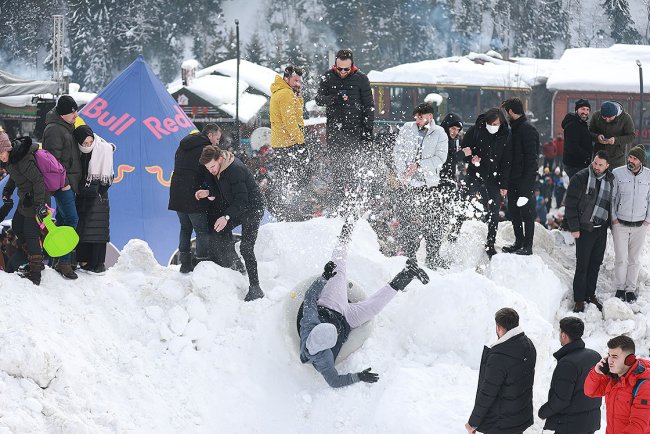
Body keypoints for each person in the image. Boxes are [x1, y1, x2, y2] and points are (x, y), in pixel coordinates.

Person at [298, 220, 429, 388]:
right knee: (373, 308)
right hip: (346, 321)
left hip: (331, 304)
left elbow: (309, 298)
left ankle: (346, 230)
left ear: (317, 327)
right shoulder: (323, 361)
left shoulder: (309, 322)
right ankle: (408, 274)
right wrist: (358, 376)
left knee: (338, 272)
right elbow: (334, 381)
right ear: (327, 345)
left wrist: (324, 277)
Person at [196, 145, 265, 301]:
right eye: (208, 168)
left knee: (246, 247)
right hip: (238, 208)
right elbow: (223, 189)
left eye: (212, 166)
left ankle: (256, 288)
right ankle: (236, 266)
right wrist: (208, 192)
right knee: (218, 231)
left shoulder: (235, 169)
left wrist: (226, 216)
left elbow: (242, 200)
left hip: (253, 208)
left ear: (220, 158)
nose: (211, 170)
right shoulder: (219, 167)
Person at [315, 49, 374, 213]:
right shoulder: (327, 76)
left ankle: (353, 208)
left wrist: (368, 133)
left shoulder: (362, 79)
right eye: (339, 69)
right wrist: (333, 98)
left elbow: (369, 107)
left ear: (352, 66)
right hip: (334, 131)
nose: (342, 72)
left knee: (354, 171)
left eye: (346, 69)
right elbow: (318, 99)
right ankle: (336, 207)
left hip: (355, 132)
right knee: (336, 172)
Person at [392, 103, 448, 268]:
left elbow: (440, 158)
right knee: (408, 222)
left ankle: (432, 257)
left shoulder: (440, 133)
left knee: (432, 222)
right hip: (408, 185)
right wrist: (403, 173)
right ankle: (410, 258)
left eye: (421, 117)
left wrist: (419, 165)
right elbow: (398, 151)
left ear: (430, 117)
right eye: (416, 116)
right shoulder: (407, 128)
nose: (417, 120)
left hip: (428, 186)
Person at [466, 307, 536, 434]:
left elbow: (487, 393)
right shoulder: (529, 345)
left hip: (500, 423)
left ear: (498, 327)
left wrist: (473, 423)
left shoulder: (498, 357)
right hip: (519, 418)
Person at [564, 151, 614, 313]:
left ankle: (590, 295)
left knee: (595, 264)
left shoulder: (610, 180)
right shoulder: (580, 178)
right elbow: (570, 204)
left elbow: (611, 204)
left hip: (601, 230)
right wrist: (574, 228)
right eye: (595, 163)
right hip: (585, 229)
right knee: (582, 266)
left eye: (600, 165)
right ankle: (579, 300)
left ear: (607, 166)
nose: (597, 167)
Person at [168, 124, 221, 273]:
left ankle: (185, 264)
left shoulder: (184, 145)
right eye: (217, 138)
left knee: (185, 228)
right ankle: (200, 264)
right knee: (202, 231)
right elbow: (207, 174)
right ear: (209, 136)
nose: (217, 142)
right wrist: (211, 191)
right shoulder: (205, 150)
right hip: (194, 193)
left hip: (177, 192)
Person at [461, 108, 512, 258]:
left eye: (496, 123)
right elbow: (465, 149)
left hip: (493, 179)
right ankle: (454, 232)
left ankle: (490, 243)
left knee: (494, 212)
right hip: (474, 174)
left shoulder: (506, 135)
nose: (493, 126)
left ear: (501, 123)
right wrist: (471, 158)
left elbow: (506, 161)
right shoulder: (476, 130)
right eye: (490, 123)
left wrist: (504, 184)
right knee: (463, 201)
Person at [538, 317, 602, 434]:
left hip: (570, 425)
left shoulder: (568, 363)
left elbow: (561, 399)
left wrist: (543, 412)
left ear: (563, 335)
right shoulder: (595, 356)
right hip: (590, 422)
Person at [0, 131, 48, 285]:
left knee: (31, 232)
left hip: (37, 199)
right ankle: (34, 260)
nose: (0, 157)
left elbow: (39, 181)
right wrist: (8, 190)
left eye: (1, 152)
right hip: (26, 199)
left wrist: (40, 204)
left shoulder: (23, 159)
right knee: (18, 226)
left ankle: (35, 273)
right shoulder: (13, 158)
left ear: (7, 147)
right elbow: (14, 177)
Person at [43, 95, 81, 279]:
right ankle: (64, 262)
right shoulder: (54, 130)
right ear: (64, 113)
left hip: (69, 182)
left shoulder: (65, 125)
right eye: (73, 112)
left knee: (63, 218)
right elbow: (52, 162)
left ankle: (59, 259)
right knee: (71, 220)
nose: (76, 114)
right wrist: (64, 183)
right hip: (63, 184)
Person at [584, 335, 650, 434]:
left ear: (630, 360)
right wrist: (596, 372)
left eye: (614, 356)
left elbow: (638, 426)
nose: (610, 360)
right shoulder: (613, 378)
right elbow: (590, 391)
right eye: (609, 355)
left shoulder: (644, 385)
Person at [72, 125, 115, 274]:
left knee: (98, 232)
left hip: (99, 196)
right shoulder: (77, 152)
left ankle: (98, 263)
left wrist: (96, 189)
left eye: (90, 142)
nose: (88, 145)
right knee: (85, 229)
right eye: (85, 143)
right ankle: (86, 261)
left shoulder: (104, 149)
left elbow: (109, 176)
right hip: (83, 196)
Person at [269, 65, 309, 221]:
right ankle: (291, 210)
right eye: (295, 80)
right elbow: (290, 120)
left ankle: (287, 210)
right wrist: (300, 141)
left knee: (288, 177)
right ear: (286, 78)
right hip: (289, 143)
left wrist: (298, 96)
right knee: (296, 176)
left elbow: (296, 113)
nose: (298, 83)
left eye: (300, 81)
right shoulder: (285, 94)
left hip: (282, 142)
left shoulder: (284, 92)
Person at [611, 145, 650, 303]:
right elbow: (612, 197)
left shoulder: (648, 176)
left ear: (641, 161)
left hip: (640, 225)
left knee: (634, 259)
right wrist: (613, 218)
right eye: (630, 157)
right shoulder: (617, 173)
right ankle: (620, 288)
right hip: (620, 223)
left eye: (634, 158)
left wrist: (648, 219)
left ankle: (630, 290)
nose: (630, 160)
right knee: (621, 258)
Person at [501, 97, 540, 256]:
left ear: (510, 111)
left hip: (524, 181)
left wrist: (527, 185)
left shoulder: (527, 129)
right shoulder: (513, 129)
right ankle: (518, 242)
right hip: (513, 180)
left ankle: (527, 246)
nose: (506, 115)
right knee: (514, 212)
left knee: (527, 213)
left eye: (506, 112)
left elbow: (532, 160)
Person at [440, 112, 469, 242]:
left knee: (460, 208)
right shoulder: (440, 138)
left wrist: (468, 156)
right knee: (442, 215)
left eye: (457, 130)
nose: (455, 132)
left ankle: (453, 236)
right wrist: (462, 154)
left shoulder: (454, 140)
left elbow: (456, 156)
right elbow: (444, 161)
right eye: (452, 128)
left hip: (450, 181)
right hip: (439, 182)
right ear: (447, 126)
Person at [590, 100, 635, 169]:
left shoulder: (626, 118)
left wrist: (616, 140)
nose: (607, 120)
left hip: (617, 160)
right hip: (598, 158)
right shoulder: (596, 115)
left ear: (616, 114)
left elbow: (631, 136)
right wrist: (597, 137)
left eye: (610, 117)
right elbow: (589, 132)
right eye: (604, 117)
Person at [562, 99, 593, 179]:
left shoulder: (581, 123)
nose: (585, 112)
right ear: (576, 110)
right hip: (575, 164)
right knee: (577, 189)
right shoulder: (573, 125)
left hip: (579, 163)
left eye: (587, 109)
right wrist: (586, 157)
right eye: (582, 109)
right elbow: (572, 147)